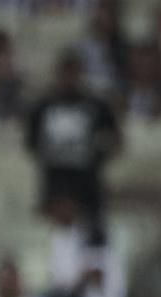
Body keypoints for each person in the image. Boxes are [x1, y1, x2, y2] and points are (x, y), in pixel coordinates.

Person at [26, 51, 121, 225]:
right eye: (66, 73)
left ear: (80, 75)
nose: (69, 79)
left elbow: (115, 137)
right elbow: (31, 140)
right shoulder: (43, 106)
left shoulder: (95, 105)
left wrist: (100, 156)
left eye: (73, 73)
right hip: (55, 173)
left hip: (86, 173)